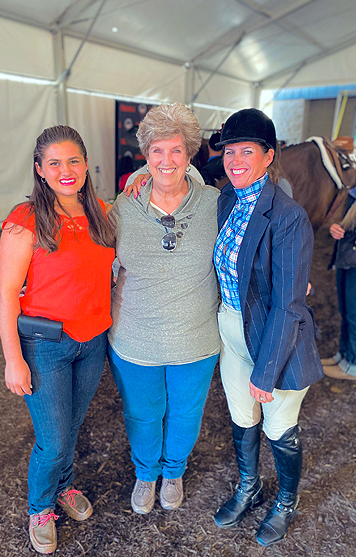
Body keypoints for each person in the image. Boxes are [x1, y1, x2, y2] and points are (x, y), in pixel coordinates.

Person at [0, 126, 115, 554]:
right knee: (55, 439)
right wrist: (13, 359)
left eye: (73, 161)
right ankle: (41, 507)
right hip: (45, 346)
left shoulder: (102, 212)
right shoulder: (25, 219)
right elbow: (7, 293)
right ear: (40, 169)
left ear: (86, 165)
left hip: (93, 341)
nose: (66, 170)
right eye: (54, 163)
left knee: (72, 426)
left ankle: (64, 486)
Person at [212, 108, 324, 547]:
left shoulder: (288, 216)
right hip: (232, 328)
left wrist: (267, 370)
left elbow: (288, 303)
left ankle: (285, 502)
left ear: (268, 156)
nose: (235, 160)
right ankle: (250, 486)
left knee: (279, 427)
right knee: (242, 417)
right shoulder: (227, 198)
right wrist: (145, 176)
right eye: (229, 152)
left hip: (276, 338)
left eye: (247, 151)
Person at [108, 103, 220, 515]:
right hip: (135, 339)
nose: (166, 160)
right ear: (146, 155)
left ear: (190, 155)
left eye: (176, 150)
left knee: (186, 413)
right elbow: (97, 262)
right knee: (142, 414)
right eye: (157, 150)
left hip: (196, 340)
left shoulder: (215, 204)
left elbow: (248, 248)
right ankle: (145, 473)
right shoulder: (123, 208)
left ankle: (173, 472)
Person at [322, 187, 356, 379]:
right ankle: (343, 356)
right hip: (346, 258)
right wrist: (335, 228)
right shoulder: (352, 193)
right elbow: (344, 224)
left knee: (354, 313)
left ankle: (353, 365)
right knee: (346, 310)